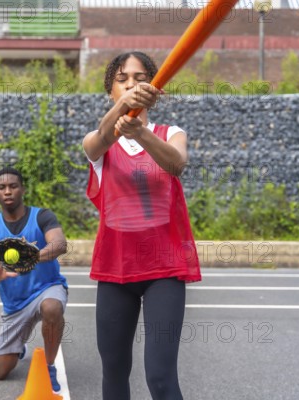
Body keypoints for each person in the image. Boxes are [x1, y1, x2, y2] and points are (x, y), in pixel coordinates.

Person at [82, 51, 202, 400]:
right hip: (115, 270)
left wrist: (142, 134)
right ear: (110, 92)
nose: (131, 84)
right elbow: (100, 139)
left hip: (164, 270)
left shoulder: (171, 133)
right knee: (115, 374)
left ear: (155, 89)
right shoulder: (98, 139)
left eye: (139, 78)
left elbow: (175, 164)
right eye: (122, 79)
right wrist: (122, 116)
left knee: (161, 378)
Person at [0, 166, 68, 393]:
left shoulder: (42, 216)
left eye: (13, 186)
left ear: (22, 189)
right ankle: (19, 348)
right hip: (16, 306)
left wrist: (33, 256)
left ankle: (48, 365)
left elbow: (59, 244)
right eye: (2, 187)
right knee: (0, 372)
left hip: (47, 288)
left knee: (52, 308)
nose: (7, 191)